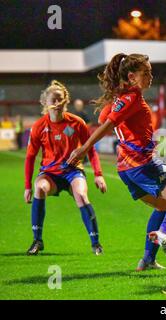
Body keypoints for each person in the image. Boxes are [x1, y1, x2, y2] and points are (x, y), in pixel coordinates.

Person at [67, 53, 166, 271]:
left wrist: (117, 99)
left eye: (151, 72)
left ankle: (147, 260)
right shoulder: (132, 98)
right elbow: (106, 125)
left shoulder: (122, 99)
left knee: (163, 206)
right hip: (143, 164)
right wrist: (84, 148)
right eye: (145, 73)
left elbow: (104, 118)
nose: (151, 77)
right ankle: (164, 234)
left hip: (126, 169)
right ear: (131, 76)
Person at [24, 80, 107, 255]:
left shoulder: (77, 123)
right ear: (44, 103)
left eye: (60, 99)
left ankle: (96, 243)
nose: (56, 103)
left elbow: (90, 150)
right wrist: (27, 186)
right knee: (40, 188)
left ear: (66, 100)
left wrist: (98, 174)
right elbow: (30, 157)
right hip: (50, 174)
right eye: (52, 100)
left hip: (73, 172)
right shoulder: (39, 126)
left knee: (82, 196)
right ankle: (37, 240)